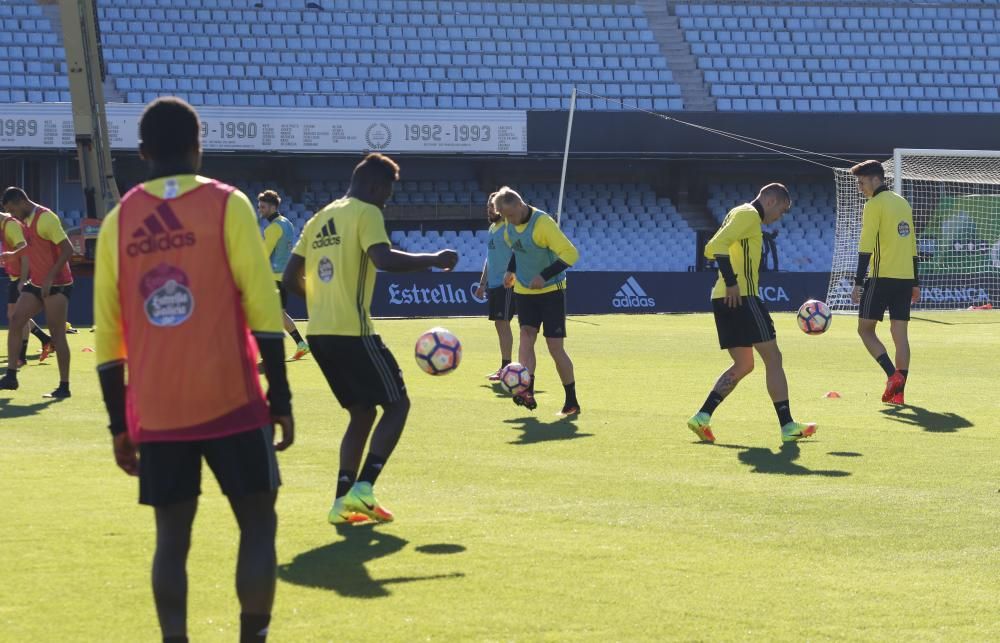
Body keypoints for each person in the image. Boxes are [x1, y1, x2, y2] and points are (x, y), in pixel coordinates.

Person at [93, 97, 294, 643]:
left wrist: (118, 424)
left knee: (171, 539)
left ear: (142, 153)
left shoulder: (118, 222)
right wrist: (282, 398)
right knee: (257, 524)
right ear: (197, 145)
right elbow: (263, 308)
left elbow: (108, 338)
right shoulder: (229, 205)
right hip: (233, 399)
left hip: (157, 410)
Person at [283, 152, 457, 525]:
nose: (387, 200)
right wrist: (434, 258)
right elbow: (383, 259)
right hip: (353, 332)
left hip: (321, 334)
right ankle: (364, 487)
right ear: (376, 186)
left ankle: (341, 502)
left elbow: (288, 278)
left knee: (361, 414)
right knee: (398, 405)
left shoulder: (319, 218)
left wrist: (321, 300)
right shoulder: (366, 212)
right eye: (388, 193)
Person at [687, 183, 816, 443]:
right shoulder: (748, 215)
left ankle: (702, 416)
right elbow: (716, 246)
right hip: (742, 297)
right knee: (774, 358)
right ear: (769, 200)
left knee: (744, 364)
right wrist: (733, 281)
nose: (782, 214)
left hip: (723, 298)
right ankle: (788, 425)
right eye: (782, 208)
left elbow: (711, 248)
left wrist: (729, 281)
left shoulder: (739, 214)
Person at [492, 186, 580, 416]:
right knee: (525, 336)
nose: (508, 220)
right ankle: (526, 390)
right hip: (524, 292)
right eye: (504, 217)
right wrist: (510, 271)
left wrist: (544, 276)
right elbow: (516, 249)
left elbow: (571, 254)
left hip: (552, 291)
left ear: (520, 205)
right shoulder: (508, 227)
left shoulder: (543, 223)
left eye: (511, 215)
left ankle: (571, 401)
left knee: (554, 348)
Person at [849, 160, 920, 405]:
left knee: (864, 329)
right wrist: (915, 282)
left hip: (881, 278)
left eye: (861, 182)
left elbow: (866, 246)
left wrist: (858, 282)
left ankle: (892, 376)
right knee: (900, 335)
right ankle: (898, 394)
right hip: (904, 279)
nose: (860, 188)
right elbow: (912, 246)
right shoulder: (903, 203)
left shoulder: (874, 205)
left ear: (875, 179)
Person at [0, 188, 73, 397]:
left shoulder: (45, 218)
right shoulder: (25, 221)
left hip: (58, 283)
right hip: (39, 282)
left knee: (58, 334)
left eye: (12, 209)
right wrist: (13, 255)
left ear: (22, 201)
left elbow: (68, 249)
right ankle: (11, 376)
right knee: (15, 320)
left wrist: (50, 277)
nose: (11, 215)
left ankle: (64, 386)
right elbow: (31, 247)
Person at [257, 190, 310, 360]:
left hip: (274, 277)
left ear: (272, 206)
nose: (260, 210)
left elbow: (263, 255)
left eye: (263, 207)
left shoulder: (272, 229)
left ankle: (269, 352)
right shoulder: (287, 223)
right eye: (259, 207)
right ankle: (301, 344)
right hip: (284, 276)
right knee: (280, 315)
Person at [1, 213, 56, 366]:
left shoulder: (10, 225)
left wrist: (23, 280)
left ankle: (21, 357)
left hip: (23, 275)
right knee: (15, 315)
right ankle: (46, 340)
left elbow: (24, 252)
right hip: (15, 275)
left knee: (18, 316)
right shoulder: (4, 225)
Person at [475, 192, 516, 381]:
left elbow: (518, 251)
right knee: (500, 325)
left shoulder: (508, 227)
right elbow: (489, 258)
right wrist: (482, 283)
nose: (489, 209)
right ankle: (505, 367)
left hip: (507, 284)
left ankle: (507, 368)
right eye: (488, 206)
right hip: (493, 284)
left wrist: (512, 274)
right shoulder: (492, 228)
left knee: (504, 324)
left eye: (492, 205)